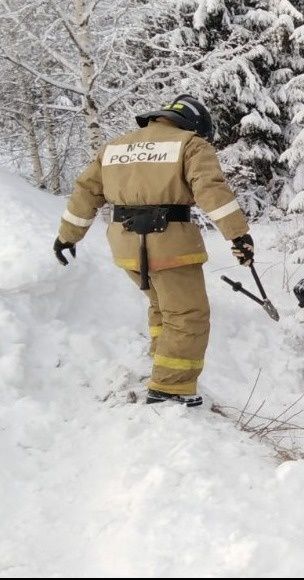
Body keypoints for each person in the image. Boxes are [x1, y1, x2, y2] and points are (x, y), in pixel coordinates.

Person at [53, 94, 253, 407]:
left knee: (162, 307)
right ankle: (171, 388)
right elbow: (211, 190)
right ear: (195, 124)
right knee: (187, 315)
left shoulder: (115, 147)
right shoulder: (191, 144)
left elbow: (86, 191)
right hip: (170, 245)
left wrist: (67, 237)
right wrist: (238, 235)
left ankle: (162, 366)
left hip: (126, 246)